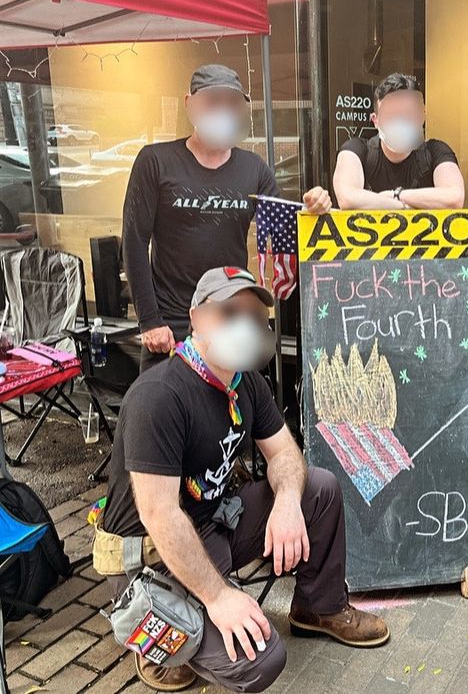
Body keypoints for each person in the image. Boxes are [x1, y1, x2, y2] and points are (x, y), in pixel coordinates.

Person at [96, 267, 389, 692]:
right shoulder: (158, 395)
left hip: (213, 524)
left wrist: (288, 503)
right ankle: (157, 646)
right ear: (196, 317)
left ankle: (318, 608)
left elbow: (286, 453)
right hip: (152, 555)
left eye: (254, 317)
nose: (244, 326)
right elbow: (160, 515)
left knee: (318, 489)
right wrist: (219, 598)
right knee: (260, 662)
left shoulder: (245, 382)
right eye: (229, 312)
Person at [122, 64, 333, 372]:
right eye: (212, 101)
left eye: (231, 103)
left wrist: (313, 209)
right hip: (172, 324)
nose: (222, 111)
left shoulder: (254, 168)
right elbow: (134, 241)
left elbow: (285, 229)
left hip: (232, 318)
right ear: (189, 103)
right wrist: (150, 320)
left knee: (236, 413)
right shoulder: (155, 162)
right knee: (165, 412)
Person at [333, 73, 464, 210]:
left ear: (422, 117)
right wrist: (403, 207)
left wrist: (395, 195)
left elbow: (454, 198)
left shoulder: (436, 152)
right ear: (375, 120)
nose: (401, 122)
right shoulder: (357, 150)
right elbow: (347, 198)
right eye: (392, 115)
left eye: (409, 114)